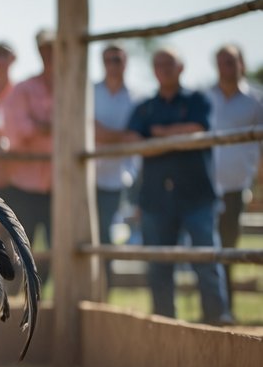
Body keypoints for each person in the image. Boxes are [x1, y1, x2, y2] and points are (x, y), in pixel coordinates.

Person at [127, 48, 230, 325]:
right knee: (159, 266)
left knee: (206, 261)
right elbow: (137, 143)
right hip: (156, 198)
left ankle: (217, 321)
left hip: (196, 195)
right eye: (158, 63)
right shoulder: (145, 106)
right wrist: (176, 136)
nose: (164, 68)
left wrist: (158, 135)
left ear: (181, 67)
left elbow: (197, 131)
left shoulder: (198, 100)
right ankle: (164, 324)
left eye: (169, 63)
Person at [206, 43, 263, 314]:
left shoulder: (256, 100)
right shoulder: (206, 97)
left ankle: (225, 309)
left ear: (242, 63)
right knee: (208, 250)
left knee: (228, 248)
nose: (225, 68)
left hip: (237, 187)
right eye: (220, 62)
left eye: (230, 61)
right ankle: (216, 309)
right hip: (205, 187)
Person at [0, 30, 55, 257]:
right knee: (19, 248)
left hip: (60, 185)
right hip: (24, 185)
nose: (50, 54)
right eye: (46, 48)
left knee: (58, 246)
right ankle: (22, 292)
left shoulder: (72, 87)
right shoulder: (24, 89)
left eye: (55, 48)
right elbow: (17, 132)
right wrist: (49, 127)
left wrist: (39, 126)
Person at [92, 42, 140, 281]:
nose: (113, 65)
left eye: (118, 60)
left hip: (119, 179)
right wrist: (121, 137)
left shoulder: (136, 97)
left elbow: (137, 135)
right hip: (87, 179)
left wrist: (102, 134)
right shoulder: (88, 91)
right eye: (109, 60)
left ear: (126, 62)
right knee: (87, 235)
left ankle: (104, 288)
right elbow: (88, 130)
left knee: (108, 236)